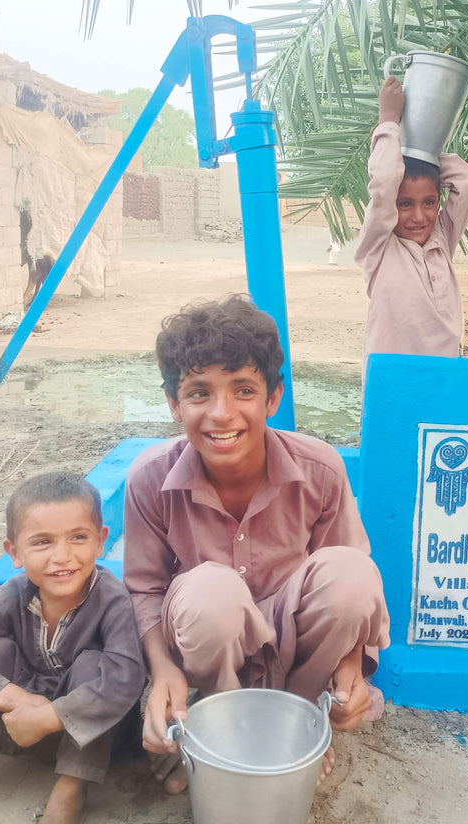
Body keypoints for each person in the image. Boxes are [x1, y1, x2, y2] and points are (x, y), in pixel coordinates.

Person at [124, 295, 390, 794]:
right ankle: (221, 728)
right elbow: (143, 590)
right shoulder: (148, 481)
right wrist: (162, 673)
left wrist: (351, 670)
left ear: (272, 399)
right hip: (211, 644)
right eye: (199, 393)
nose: (222, 414)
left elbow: (354, 597)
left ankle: (296, 722)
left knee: (353, 575)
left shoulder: (321, 469)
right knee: (210, 593)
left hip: (295, 651)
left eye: (243, 390)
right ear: (174, 404)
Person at [0, 472, 145, 824]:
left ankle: (70, 789)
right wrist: (16, 700)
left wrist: (52, 715)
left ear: (100, 542)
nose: (62, 556)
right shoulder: (12, 594)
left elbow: (126, 679)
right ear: (14, 553)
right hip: (20, 726)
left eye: (78, 538)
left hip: (92, 736)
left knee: (96, 665)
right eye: (42, 542)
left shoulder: (112, 599)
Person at [354, 75, 468, 375]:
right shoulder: (380, 247)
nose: (419, 216)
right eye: (405, 204)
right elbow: (385, 181)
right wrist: (389, 121)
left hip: (441, 377)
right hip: (390, 382)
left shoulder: (442, 240)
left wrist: (424, 153)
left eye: (429, 202)